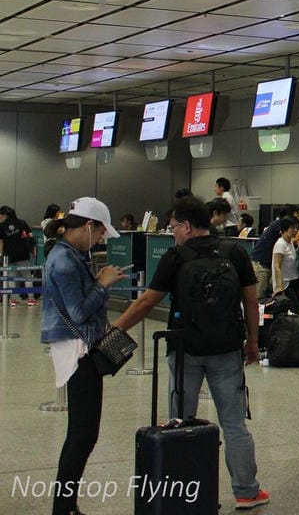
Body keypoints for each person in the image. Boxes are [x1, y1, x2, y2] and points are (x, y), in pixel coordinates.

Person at [114, 195, 270, 510]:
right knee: (235, 423)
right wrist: (252, 341)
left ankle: (182, 492)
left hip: (184, 348)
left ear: (186, 226)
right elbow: (251, 302)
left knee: (178, 422)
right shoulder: (234, 251)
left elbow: (147, 302)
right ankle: (246, 491)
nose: (172, 232)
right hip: (226, 349)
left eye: (173, 227)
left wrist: (114, 331)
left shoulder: (176, 257)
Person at [40, 197, 127, 515]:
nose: (101, 240)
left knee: (81, 433)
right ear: (89, 226)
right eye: (102, 234)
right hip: (78, 352)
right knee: (82, 435)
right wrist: (102, 285)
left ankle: (66, 506)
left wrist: (99, 281)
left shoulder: (70, 255)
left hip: (79, 348)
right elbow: (78, 312)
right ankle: (63, 507)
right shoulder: (64, 260)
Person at [251, 206, 299, 298]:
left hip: (269, 264)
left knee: (271, 296)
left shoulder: (287, 241)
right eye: (294, 217)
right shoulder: (280, 226)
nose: (295, 229)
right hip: (260, 263)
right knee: (260, 294)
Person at [1, 205, 36, 305]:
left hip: (9, 255)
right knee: (27, 276)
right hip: (22, 253)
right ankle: (31, 299)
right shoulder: (22, 222)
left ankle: (13, 300)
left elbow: (1, 242)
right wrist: (32, 248)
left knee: (11, 277)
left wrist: (1, 254)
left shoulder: (2, 226)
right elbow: (30, 235)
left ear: (5, 215)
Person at [271, 216, 299, 305]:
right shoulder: (280, 244)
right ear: (284, 229)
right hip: (285, 285)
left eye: (297, 228)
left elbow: (288, 258)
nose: (295, 230)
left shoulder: (290, 242)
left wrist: (298, 250)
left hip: (292, 281)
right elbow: (277, 267)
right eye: (292, 228)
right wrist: (280, 288)